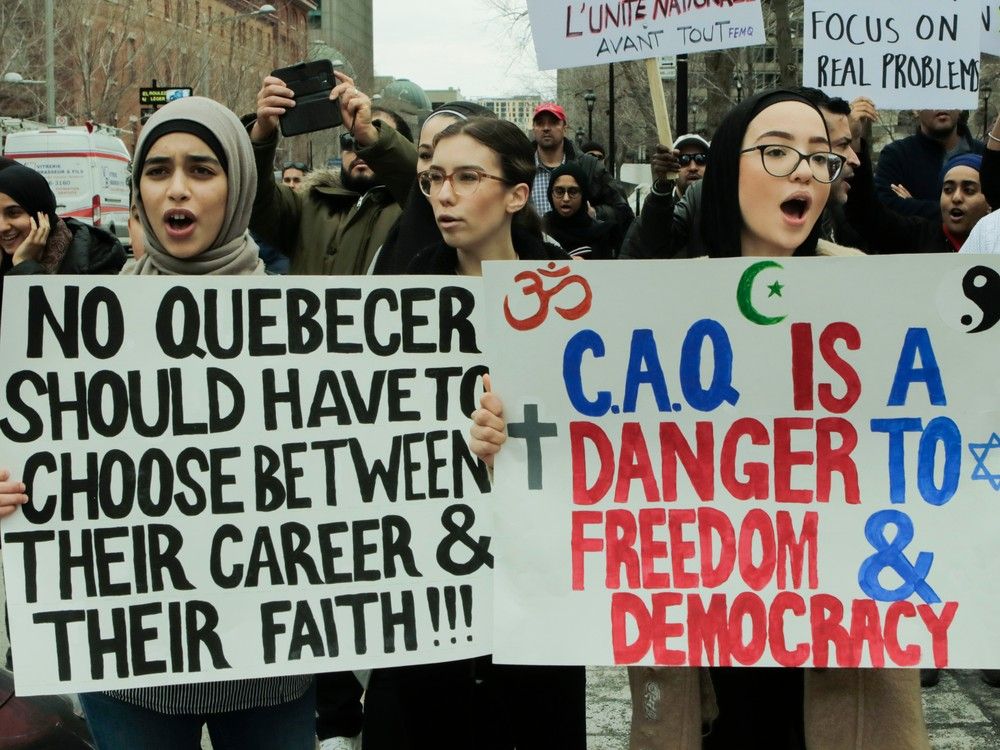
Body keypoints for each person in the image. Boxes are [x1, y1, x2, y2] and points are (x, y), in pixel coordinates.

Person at [471, 90, 930, 750]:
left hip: (835, 648)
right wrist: (506, 446)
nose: (803, 170)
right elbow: (588, 450)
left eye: (821, 158)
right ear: (726, 174)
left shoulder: (874, 293)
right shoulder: (663, 307)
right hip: (707, 653)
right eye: (776, 151)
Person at [0, 95, 317, 750]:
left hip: (271, 663)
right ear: (137, 187)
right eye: (158, 170)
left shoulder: (308, 325)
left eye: (202, 170)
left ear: (239, 183)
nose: (177, 190)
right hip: (125, 667)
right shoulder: (72, 328)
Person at [365, 117, 586, 750]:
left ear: (517, 194)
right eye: (435, 178)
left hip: (536, 590)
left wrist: (518, 450)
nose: (445, 194)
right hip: (426, 589)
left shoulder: (577, 301)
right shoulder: (394, 307)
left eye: (467, 177)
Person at [248, 71, 416, 274]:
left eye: (370, 139)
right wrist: (261, 134)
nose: (357, 149)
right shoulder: (309, 205)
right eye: (350, 140)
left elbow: (423, 189)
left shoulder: (411, 212)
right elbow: (253, 199)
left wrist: (369, 134)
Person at [371, 100, 497, 274]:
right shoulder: (388, 251)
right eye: (425, 155)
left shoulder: (544, 253)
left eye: (453, 151)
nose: (435, 167)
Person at [0, 163, 126, 312]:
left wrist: (24, 265)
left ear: (41, 215)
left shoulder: (97, 257)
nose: (2, 227)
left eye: (13, 213)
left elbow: (57, 324)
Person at [529, 102, 633, 233]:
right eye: (539, 123)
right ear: (533, 128)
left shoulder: (590, 166)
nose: (546, 128)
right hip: (534, 251)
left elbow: (622, 208)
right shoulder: (521, 167)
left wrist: (594, 214)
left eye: (553, 122)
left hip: (579, 250)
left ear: (564, 127)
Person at [874, 109, 984, 221]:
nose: (941, 106)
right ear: (916, 110)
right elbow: (884, 208)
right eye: (932, 98)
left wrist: (913, 205)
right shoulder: (896, 155)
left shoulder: (985, 155)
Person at [542, 162, 619, 258]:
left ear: (583, 194)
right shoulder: (540, 233)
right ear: (550, 194)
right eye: (559, 191)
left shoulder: (601, 235)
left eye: (573, 192)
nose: (566, 198)